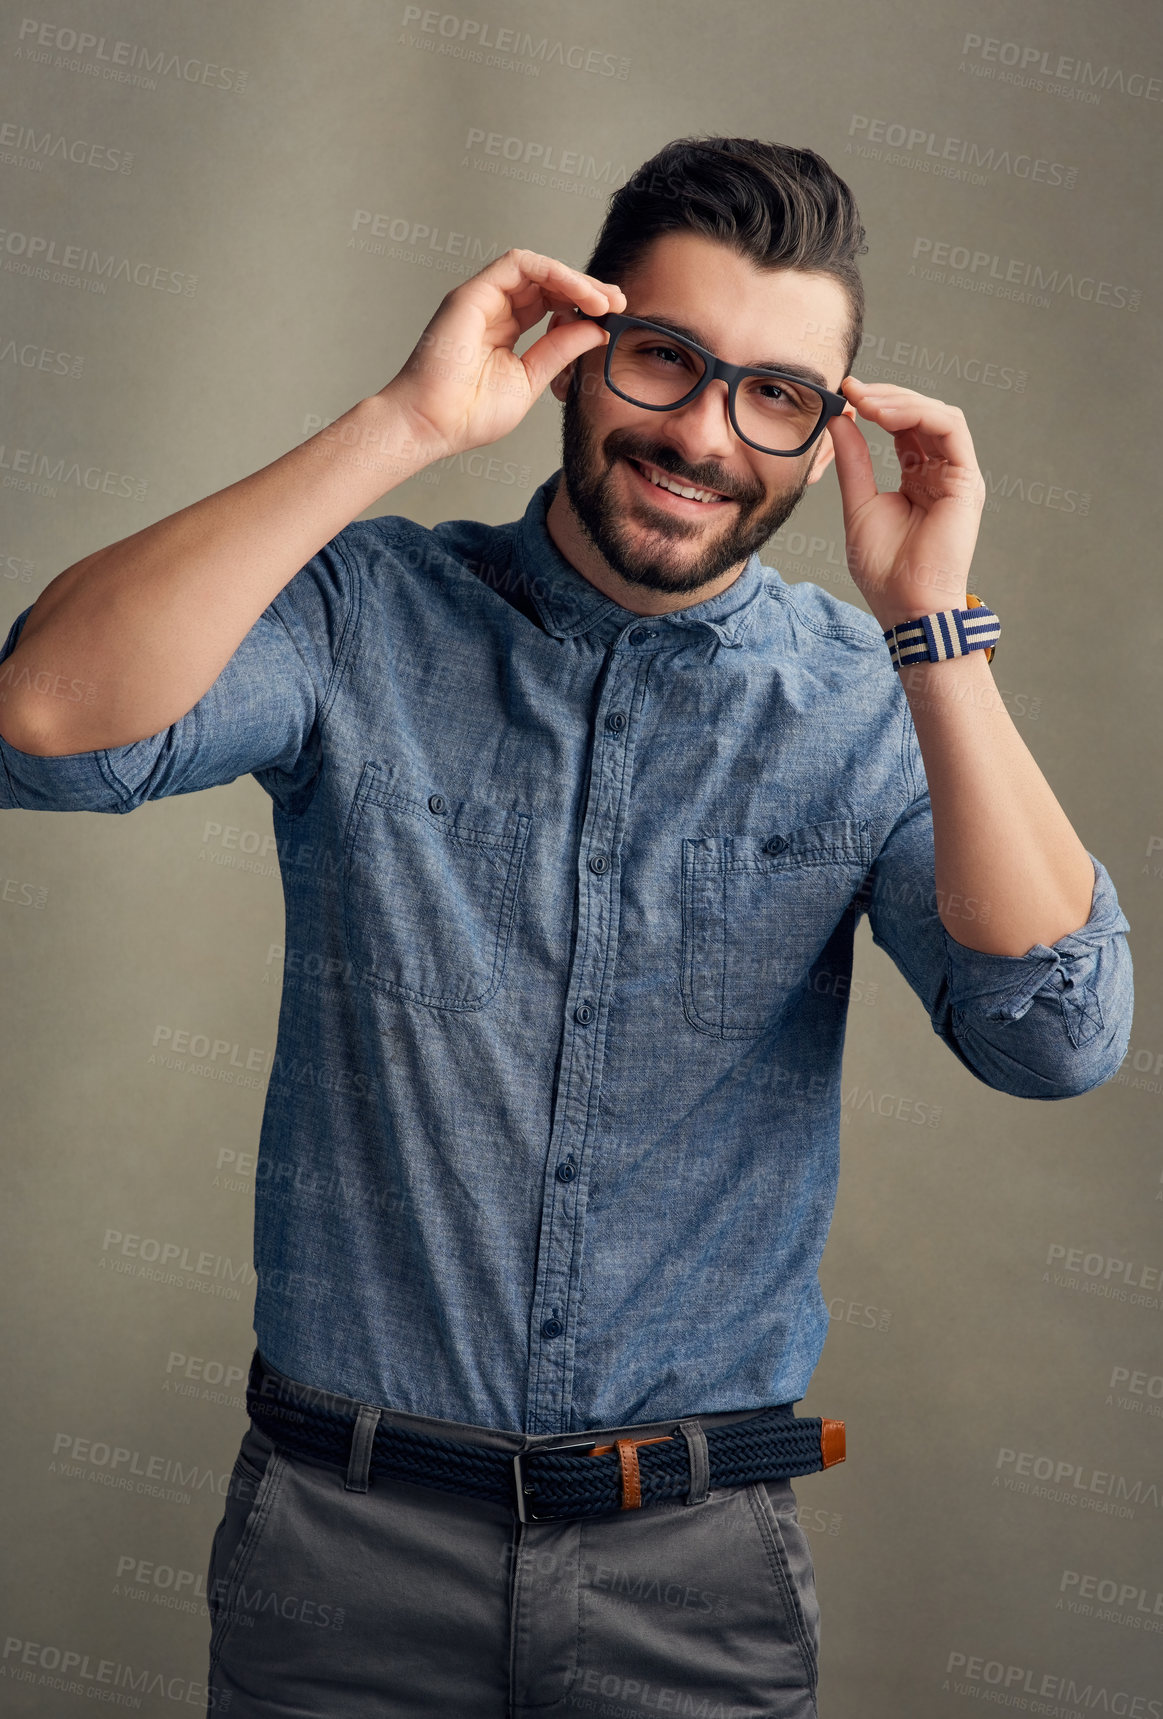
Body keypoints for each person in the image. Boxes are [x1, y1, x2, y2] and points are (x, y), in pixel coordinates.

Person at [0, 136, 1132, 1718]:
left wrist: (933, 631)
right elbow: (45, 725)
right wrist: (402, 424)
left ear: (825, 439)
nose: (705, 437)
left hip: (697, 1577)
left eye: (777, 396)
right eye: (667, 360)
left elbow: (1057, 1037)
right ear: (578, 350)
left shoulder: (873, 708)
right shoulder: (362, 616)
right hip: (342, 1557)